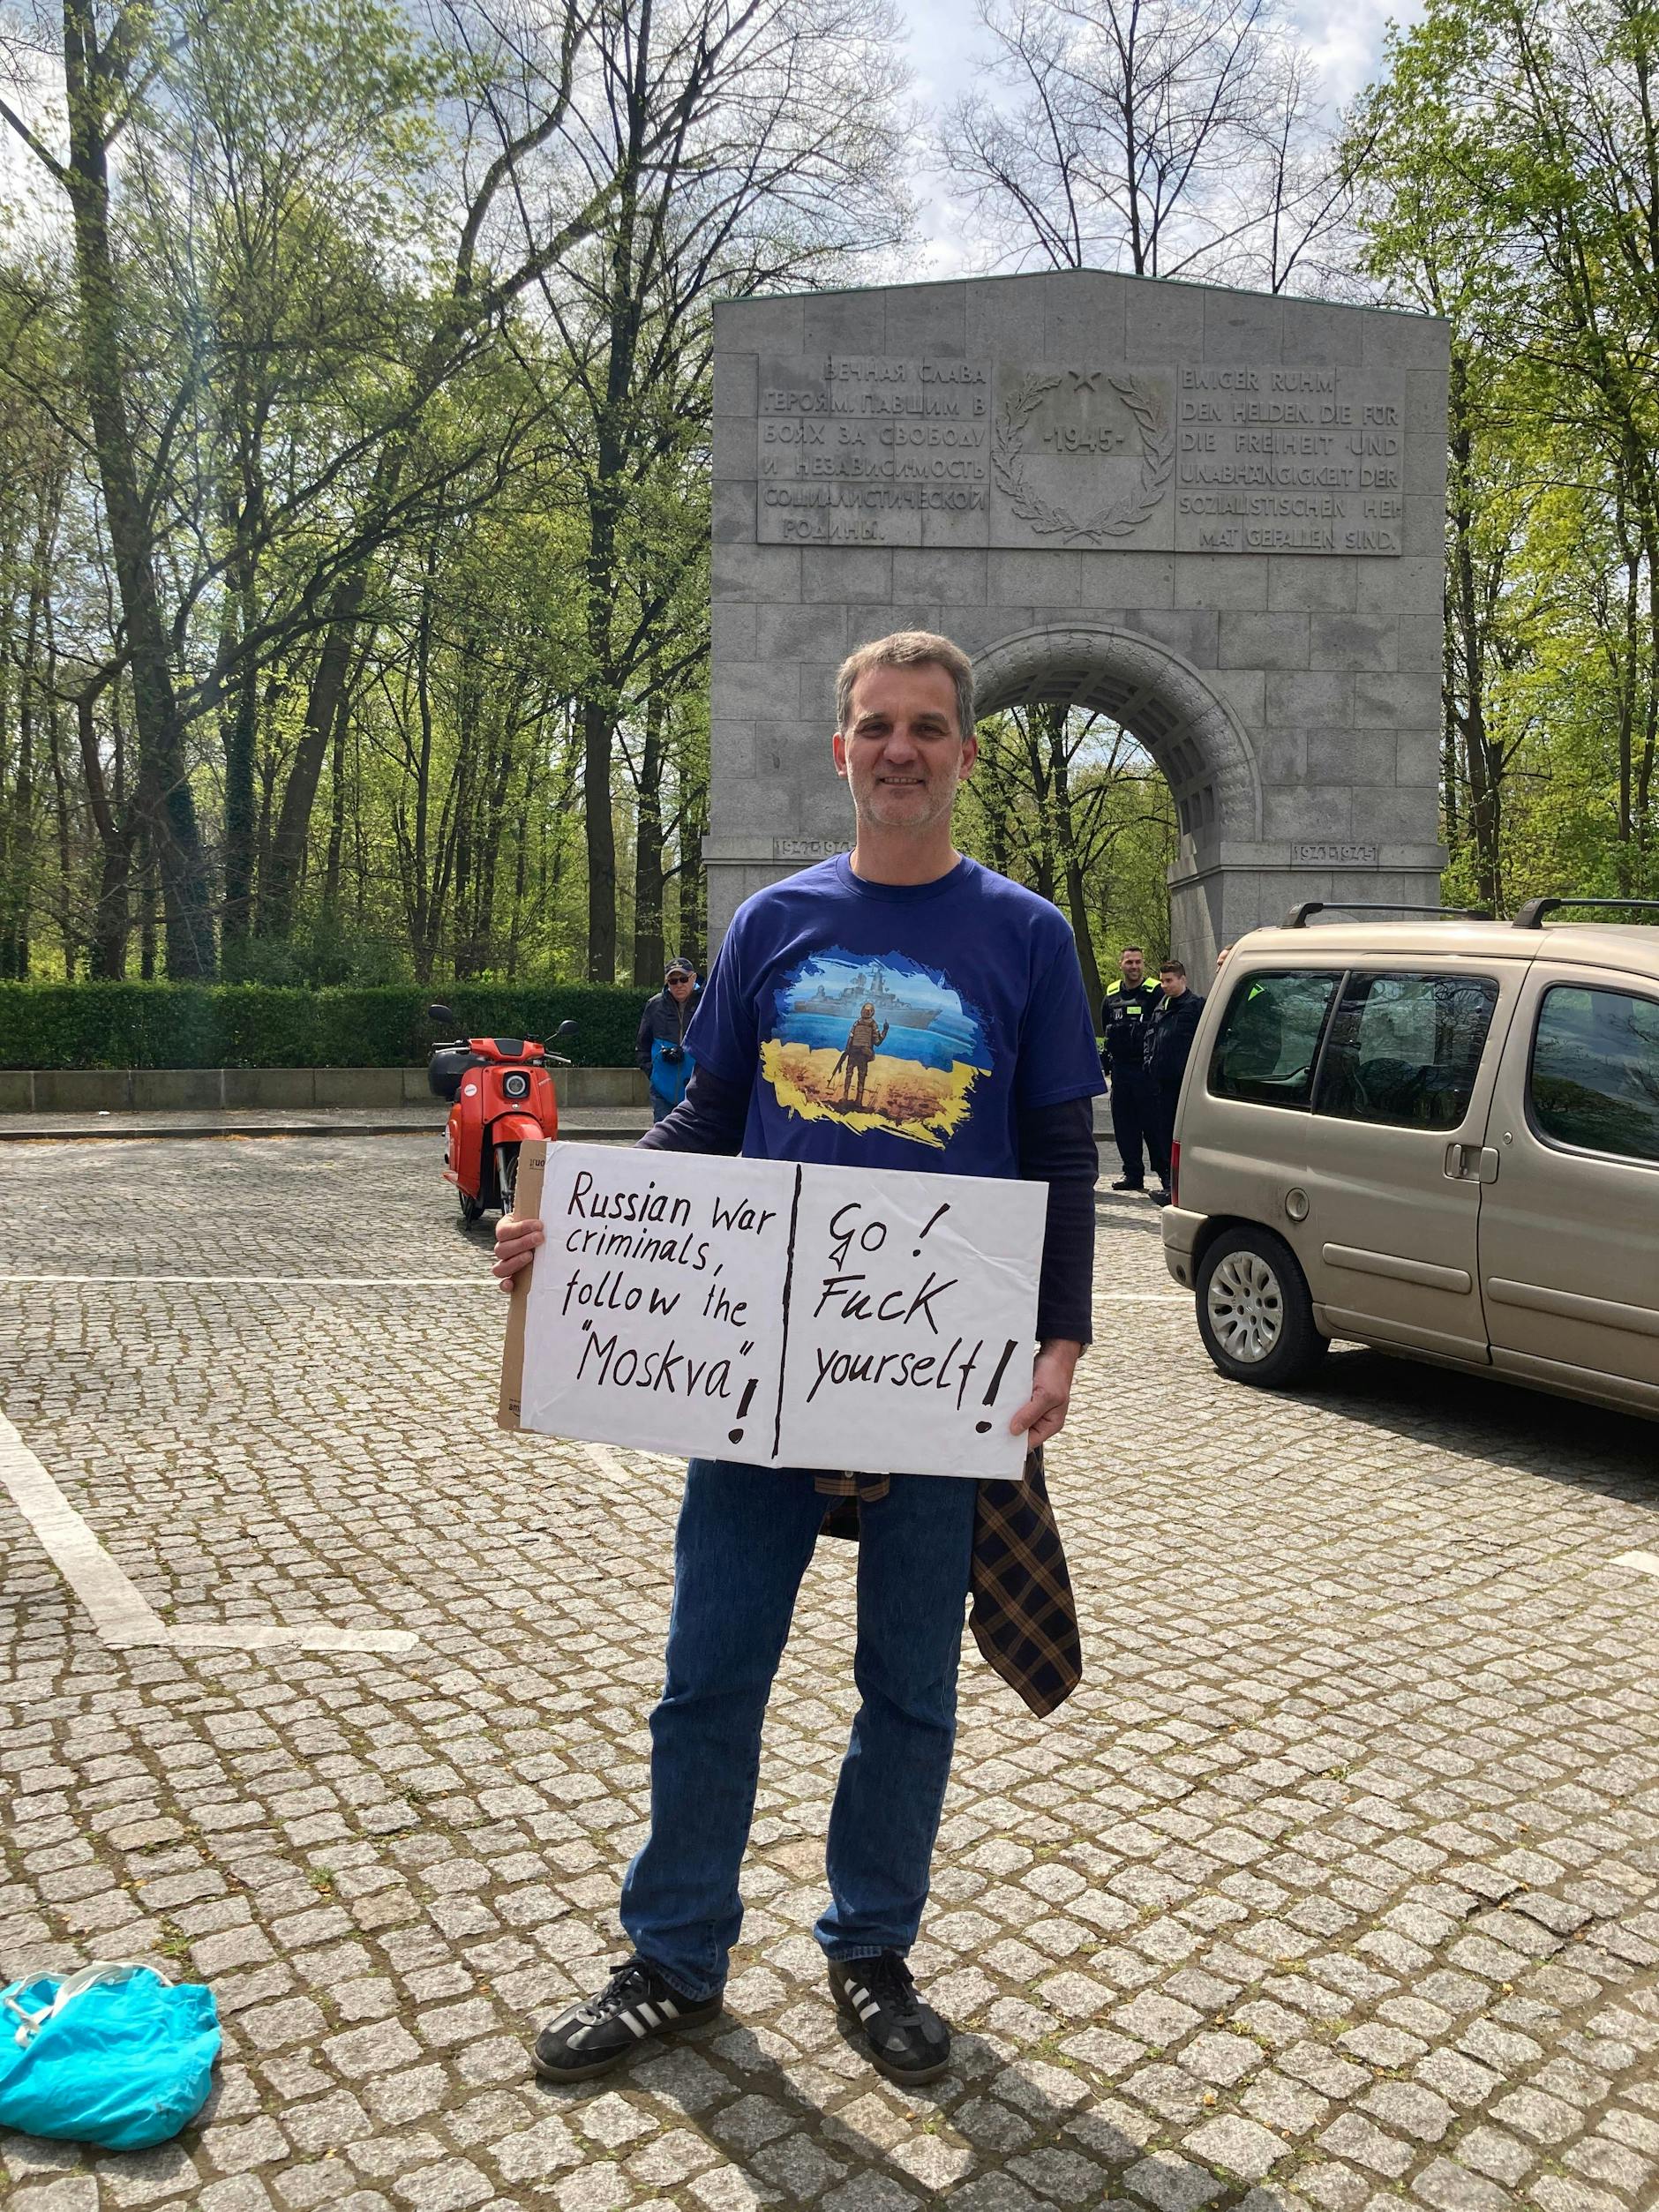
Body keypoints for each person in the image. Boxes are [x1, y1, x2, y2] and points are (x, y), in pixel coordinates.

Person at [493, 631, 1102, 2088]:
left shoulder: (1028, 935)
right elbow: (707, 1122)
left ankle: (872, 1947)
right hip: (756, 1364)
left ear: (965, 753)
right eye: (878, 725)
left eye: (929, 727)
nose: (901, 748)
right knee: (710, 1672)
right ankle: (673, 1955)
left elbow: (1060, 1153)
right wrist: (578, 1219)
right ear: (842, 748)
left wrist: (1065, 1337)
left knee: (910, 1688)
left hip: (937, 1366)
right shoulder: (774, 921)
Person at [1098, 945, 1161, 1193]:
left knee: (1153, 1125)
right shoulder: (1112, 994)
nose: (1134, 966)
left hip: (1146, 1070)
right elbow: (1105, 1025)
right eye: (1129, 962)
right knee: (1125, 1125)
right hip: (1121, 1070)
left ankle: (1165, 1175)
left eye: (1138, 962)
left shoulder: (1155, 992)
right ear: (1121, 965)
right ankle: (1132, 1174)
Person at [1145, 959, 1205, 1204]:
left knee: (1181, 1138)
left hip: (1183, 1084)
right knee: (1163, 1135)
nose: (1165, 985)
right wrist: (1148, 1061)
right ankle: (1169, 1185)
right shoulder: (1162, 1006)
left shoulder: (1196, 1006)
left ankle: (1181, 1188)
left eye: (1169, 980)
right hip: (1160, 1083)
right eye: (1162, 981)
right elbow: (1151, 1035)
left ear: (1183, 980)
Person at [636, 958, 698, 1121]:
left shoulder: (708, 1003)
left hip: (698, 1089)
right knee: (663, 1134)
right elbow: (642, 1045)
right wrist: (654, 1073)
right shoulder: (654, 1005)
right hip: (662, 1089)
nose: (679, 985)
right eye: (673, 981)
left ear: (693, 978)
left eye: (683, 979)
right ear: (667, 982)